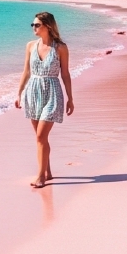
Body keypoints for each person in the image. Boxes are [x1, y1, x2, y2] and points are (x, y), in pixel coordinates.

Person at [14, 12, 74, 188]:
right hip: (33, 92)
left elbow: (65, 74)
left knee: (41, 136)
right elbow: (26, 71)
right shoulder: (30, 46)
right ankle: (47, 172)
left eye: (37, 25)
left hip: (53, 93)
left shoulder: (60, 48)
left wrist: (70, 98)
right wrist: (19, 93)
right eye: (32, 25)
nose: (34, 28)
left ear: (48, 26)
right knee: (41, 138)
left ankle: (40, 176)